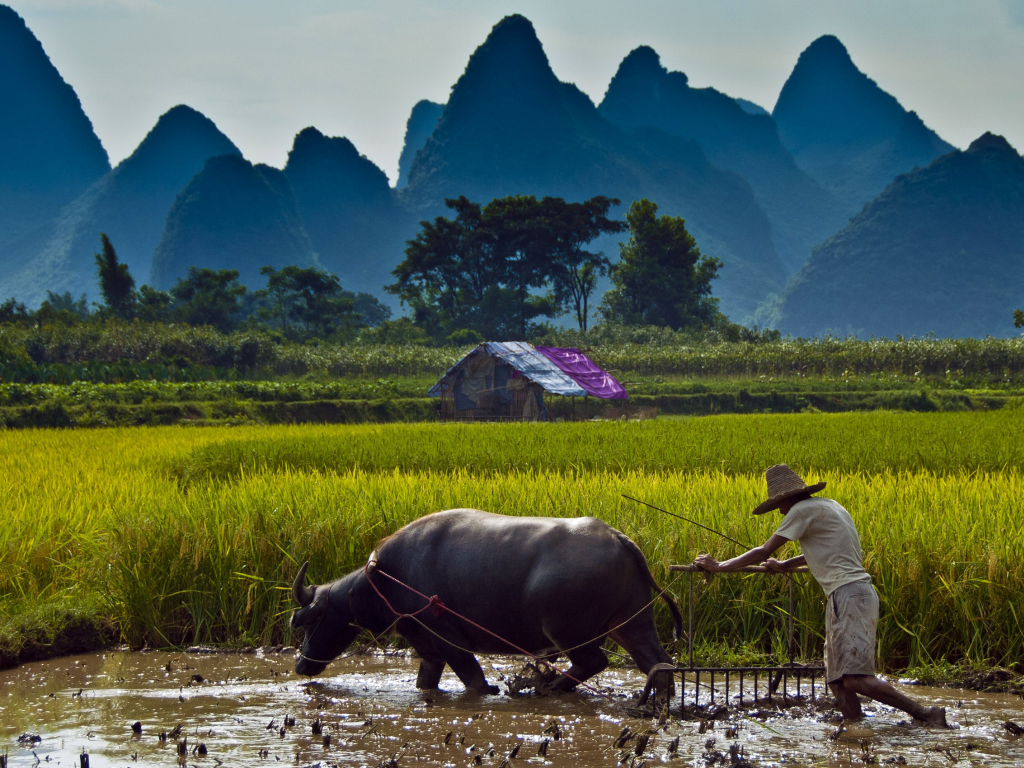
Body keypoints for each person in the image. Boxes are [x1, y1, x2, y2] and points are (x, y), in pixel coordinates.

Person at [693, 464, 948, 727]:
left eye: (780, 504)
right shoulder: (830, 506)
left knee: (854, 678)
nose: (780, 511)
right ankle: (855, 728)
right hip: (849, 596)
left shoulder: (800, 510)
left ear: (788, 498)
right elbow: (821, 550)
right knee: (837, 679)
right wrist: (784, 566)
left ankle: (925, 713)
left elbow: (763, 551)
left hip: (849, 596)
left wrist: (719, 565)